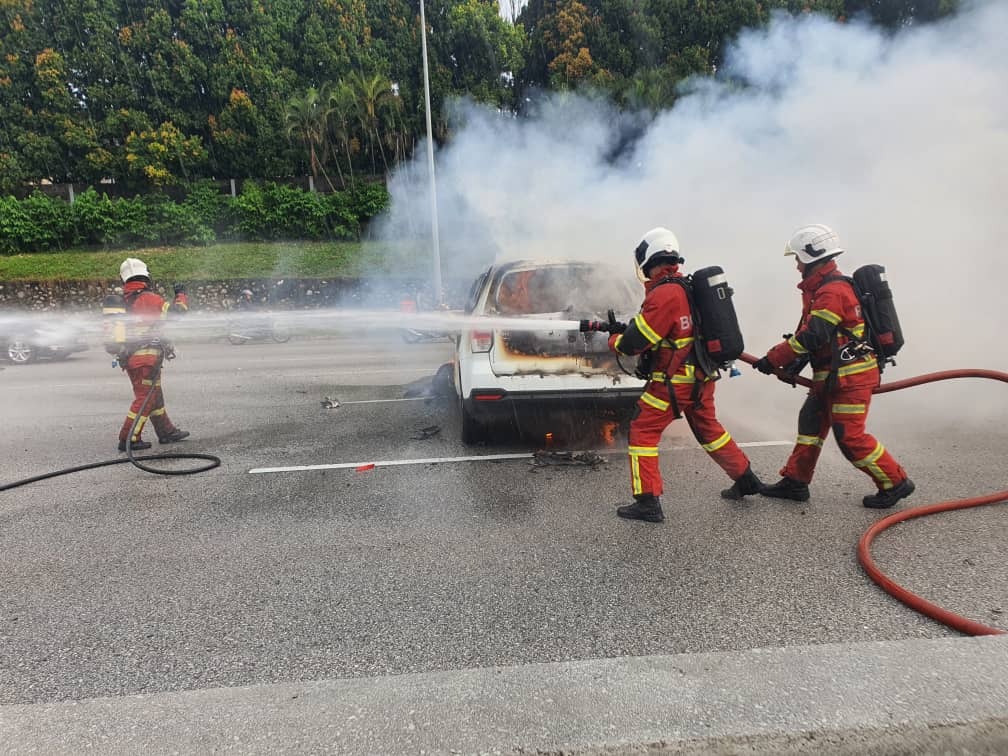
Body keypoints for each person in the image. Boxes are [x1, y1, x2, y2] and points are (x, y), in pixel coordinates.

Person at [607, 227, 764, 523]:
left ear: (647, 260)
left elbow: (634, 344)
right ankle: (746, 479)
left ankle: (647, 502)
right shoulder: (688, 287)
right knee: (710, 431)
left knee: (642, 432)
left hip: (673, 384)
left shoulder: (664, 294)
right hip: (701, 379)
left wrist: (615, 340)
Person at [753, 224, 914, 509]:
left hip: (850, 379)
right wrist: (789, 364)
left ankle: (895, 482)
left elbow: (813, 336)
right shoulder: (821, 289)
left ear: (811, 257)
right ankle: (795, 481)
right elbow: (814, 336)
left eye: (798, 258)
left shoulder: (833, 291)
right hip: (830, 376)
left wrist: (774, 358)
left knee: (851, 437)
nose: (796, 265)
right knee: (810, 424)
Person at [116, 257, 190, 452]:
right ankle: (128, 438)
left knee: (154, 396)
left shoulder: (124, 300)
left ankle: (166, 431)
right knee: (145, 397)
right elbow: (177, 313)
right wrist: (181, 295)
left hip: (133, 359)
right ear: (146, 276)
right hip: (146, 359)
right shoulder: (148, 298)